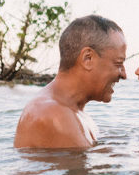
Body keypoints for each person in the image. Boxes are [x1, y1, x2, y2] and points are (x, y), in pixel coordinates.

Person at [13, 14, 127, 148]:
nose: (124, 75)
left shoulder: (73, 112)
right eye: (118, 63)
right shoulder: (53, 114)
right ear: (88, 59)